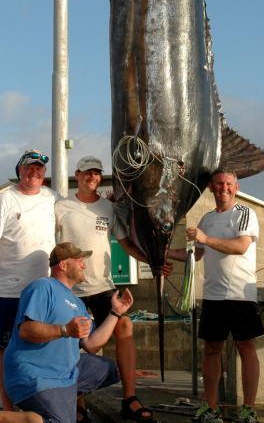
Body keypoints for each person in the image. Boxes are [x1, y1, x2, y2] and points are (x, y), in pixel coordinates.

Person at [55, 156, 155, 422]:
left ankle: (130, 398)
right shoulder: (61, 206)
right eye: (87, 172)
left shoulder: (108, 208)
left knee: (124, 327)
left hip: (102, 284)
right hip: (70, 288)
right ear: (77, 174)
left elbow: (127, 245)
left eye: (97, 173)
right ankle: (78, 404)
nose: (92, 177)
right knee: (72, 343)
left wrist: (156, 261)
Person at [168, 169, 264, 423]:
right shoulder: (206, 219)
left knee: (246, 349)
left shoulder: (245, 214)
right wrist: (163, 253)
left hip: (241, 296)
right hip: (212, 296)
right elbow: (196, 254)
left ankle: (249, 409)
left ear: (236, 187)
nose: (224, 188)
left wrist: (205, 239)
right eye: (219, 183)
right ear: (211, 187)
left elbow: (241, 246)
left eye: (229, 184)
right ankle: (210, 409)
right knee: (211, 351)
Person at [0, 241, 133, 423]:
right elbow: (26, 330)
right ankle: (21, 418)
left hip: (64, 372)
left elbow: (92, 345)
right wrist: (64, 330)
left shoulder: (78, 304)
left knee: (109, 369)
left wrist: (116, 312)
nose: (84, 265)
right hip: (36, 374)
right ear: (63, 265)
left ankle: (64, 397)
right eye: (79, 260)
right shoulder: (42, 287)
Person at [0, 149, 58, 411]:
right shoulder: (5, 199)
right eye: (29, 167)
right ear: (19, 171)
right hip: (8, 291)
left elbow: (79, 208)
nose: (34, 172)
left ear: (44, 174)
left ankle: (37, 406)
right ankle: (8, 410)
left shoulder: (52, 198)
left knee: (40, 350)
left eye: (39, 169)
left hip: (44, 292)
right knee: (5, 352)